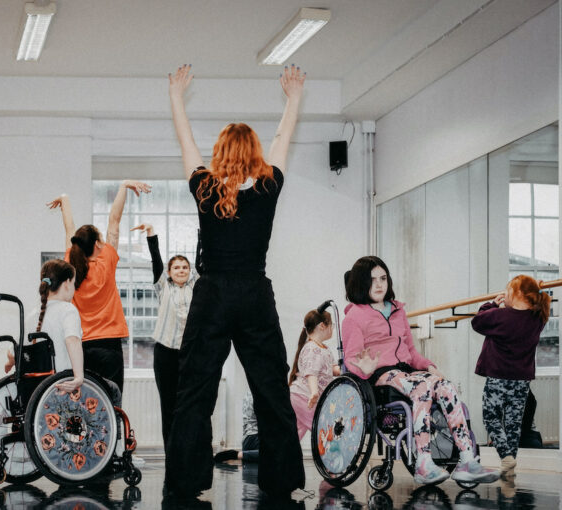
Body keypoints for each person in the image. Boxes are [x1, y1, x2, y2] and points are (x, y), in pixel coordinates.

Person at [163, 63, 306, 500]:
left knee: (194, 391)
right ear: (254, 152)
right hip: (254, 295)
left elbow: (187, 144)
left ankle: (186, 483)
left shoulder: (206, 187)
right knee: (270, 389)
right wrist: (293, 99)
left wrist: (176, 99)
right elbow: (283, 141)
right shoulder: (267, 186)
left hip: (212, 295)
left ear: (221, 152)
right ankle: (281, 481)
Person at [342, 256, 499, 485]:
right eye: (372, 280)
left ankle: (467, 460)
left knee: (444, 385)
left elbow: (411, 352)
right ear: (359, 283)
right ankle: (423, 462)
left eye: (383, 278)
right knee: (422, 386)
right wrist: (363, 369)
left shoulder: (398, 310)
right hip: (380, 374)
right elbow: (351, 358)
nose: (379, 285)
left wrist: (429, 366)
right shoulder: (354, 316)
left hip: (406, 372)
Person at [47, 180, 151, 394]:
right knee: (111, 403)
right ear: (97, 243)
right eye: (101, 238)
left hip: (82, 346)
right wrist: (123, 187)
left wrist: (65, 200)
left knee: (86, 403)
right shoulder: (107, 261)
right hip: (109, 345)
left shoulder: (71, 265)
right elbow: (114, 219)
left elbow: (69, 228)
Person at [4, 259, 122, 405]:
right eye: (73, 283)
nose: (73, 289)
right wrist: (78, 378)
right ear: (66, 283)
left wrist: (10, 362)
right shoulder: (68, 310)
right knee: (113, 389)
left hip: (36, 391)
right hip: (63, 386)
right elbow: (72, 340)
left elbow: (13, 351)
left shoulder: (33, 314)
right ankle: (112, 428)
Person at [471, 274, 551, 479]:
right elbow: (540, 308)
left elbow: (477, 322)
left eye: (507, 291)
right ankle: (510, 465)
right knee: (513, 424)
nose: (504, 295)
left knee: (491, 418)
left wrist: (490, 305)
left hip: (498, 379)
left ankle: (506, 456)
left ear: (517, 294)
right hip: (521, 382)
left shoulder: (500, 316)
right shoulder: (537, 319)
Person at [132, 223, 197, 448]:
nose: (181, 270)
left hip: (189, 354)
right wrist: (151, 234)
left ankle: (186, 453)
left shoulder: (196, 287)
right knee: (168, 406)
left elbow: (202, 260)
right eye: (176, 267)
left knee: (187, 406)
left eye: (185, 267)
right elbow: (156, 260)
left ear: (190, 271)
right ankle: (172, 455)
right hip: (165, 354)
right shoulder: (163, 287)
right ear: (169, 272)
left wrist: (202, 233)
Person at [289, 304, 341, 440]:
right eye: (332, 325)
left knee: (294, 434)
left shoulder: (324, 349)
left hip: (301, 396)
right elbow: (311, 373)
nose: (333, 329)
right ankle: (333, 457)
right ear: (322, 326)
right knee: (324, 427)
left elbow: (334, 369)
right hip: (305, 396)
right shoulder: (313, 349)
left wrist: (349, 368)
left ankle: (275, 457)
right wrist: (314, 392)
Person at [213, 390, 260, 463]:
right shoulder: (266, 392)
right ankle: (237, 454)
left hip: (246, 440)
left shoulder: (249, 393)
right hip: (257, 438)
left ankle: (238, 454)